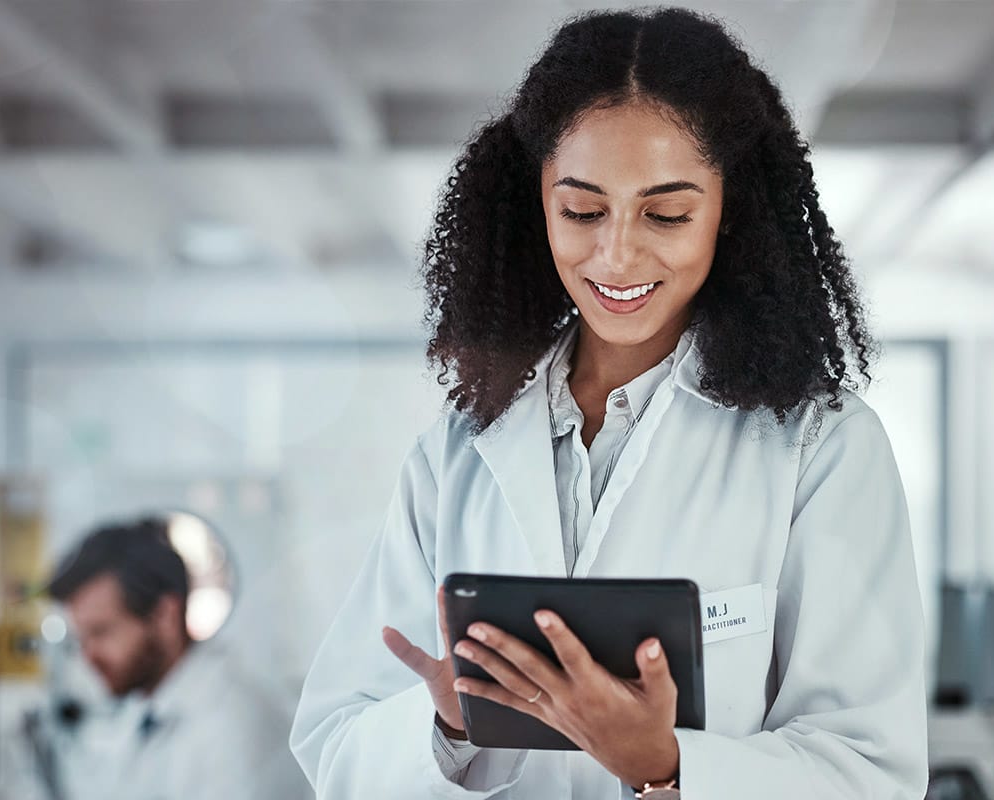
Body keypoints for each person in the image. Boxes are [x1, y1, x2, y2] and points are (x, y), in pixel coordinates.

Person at [290, 8, 927, 800]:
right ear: (537, 205)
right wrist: (450, 729)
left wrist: (665, 768)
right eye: (582, 210)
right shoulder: (455, 455)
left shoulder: (820, 447)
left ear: (731, 214)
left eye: (666, 213)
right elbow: (334, 743)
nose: (617, 253)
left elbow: (870, 772)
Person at [47, 517, 309, 799]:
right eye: (81, 639)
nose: (88, 656)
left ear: (165, 616)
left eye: (101, 632)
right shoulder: (148, 705)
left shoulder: (232, 730)